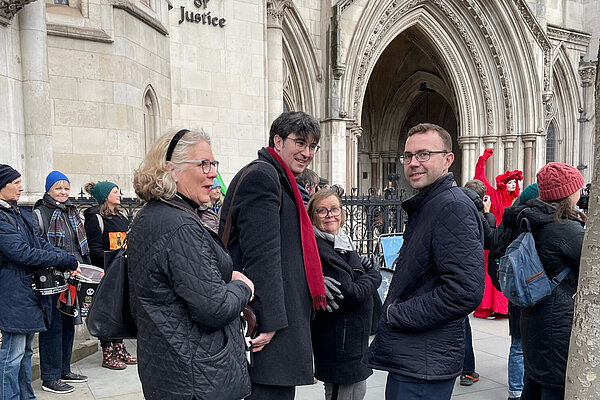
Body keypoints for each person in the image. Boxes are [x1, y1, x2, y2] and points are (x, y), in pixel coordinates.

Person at [128, 129, 254, 400]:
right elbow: (214, 309)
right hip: (196, 378)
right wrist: (241, 286)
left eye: (213, 164)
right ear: (172, 170)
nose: (212, 173)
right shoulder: (180, 225)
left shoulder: (152, 215)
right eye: (204, 164)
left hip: (170, 369)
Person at [367, 123, 484, 400]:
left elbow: (464, 291)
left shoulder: (452, 206)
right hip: (416, 358)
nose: (413, 163)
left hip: (424, 362)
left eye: (423, 154)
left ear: (447, 159)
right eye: (408, 156)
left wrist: (398, 314)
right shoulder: (432, 203)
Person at [219, 111, 327, 400]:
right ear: (277, 141)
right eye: (300, 143)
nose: (307, 153)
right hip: (268, 328)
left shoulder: (278, 177)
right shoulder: (263, 176)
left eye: (312, 146)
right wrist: (268, 323)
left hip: (279, 319)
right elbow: (262, 257)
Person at [0, 165, 79, 400]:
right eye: (15, 183)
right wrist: (62, 258)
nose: (21, 187)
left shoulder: (16, 213)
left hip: (26, 291)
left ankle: (27, 396)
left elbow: (39, 244)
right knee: (11, 355)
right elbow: (22, 253)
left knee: (25, 352)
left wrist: (67, 259)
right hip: (12, 291)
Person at [516, 163, 585, 400]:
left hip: (536, 315)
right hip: (558, 322)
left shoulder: (533, 219)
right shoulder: (565, 229)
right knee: (554, 385)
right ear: (568, 193)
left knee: (535, 380)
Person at [308, 189, 382, 400]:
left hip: (352, 340)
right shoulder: (320, 248)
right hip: (339, 343)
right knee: (343, 394)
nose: (330, 215)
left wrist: (362, 269)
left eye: (334, 209)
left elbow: (354, 275)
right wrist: (374, 275)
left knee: (357, 392)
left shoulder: (340, 241)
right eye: (322, 211)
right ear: (312, 215)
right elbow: (350, 292)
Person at [32, 171, 90, 393]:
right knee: (53, 327)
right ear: (48, 190)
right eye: (58, 188)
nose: (63, 192)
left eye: (66, 188)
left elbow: (78, 244)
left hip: (73, 278)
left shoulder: (73, 212)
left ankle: (64, 369)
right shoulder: (40, 213)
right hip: (51, 279)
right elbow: (37, 246)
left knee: (68, 325)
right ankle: (50, 377)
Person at [489, 183, 539, 400]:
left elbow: (495, 254)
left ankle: (515, 391)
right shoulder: (531, 223)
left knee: (518, 343)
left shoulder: (507, 221)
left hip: (517, 292)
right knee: (526, 344)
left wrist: (504, 285)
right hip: (535, 289)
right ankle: (522, 388)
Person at [83, 180, 136, 369]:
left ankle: (119, 347)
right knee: (106, 311)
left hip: (120, 270)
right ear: (106, 196)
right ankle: (108, 352)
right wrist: (112, 259)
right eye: (116, 192)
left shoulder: (121, 217)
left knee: (118, 309)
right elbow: (94, 249)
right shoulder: (95, 218)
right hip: (105, 272)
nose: (120, 195)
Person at [473, 148, 523, 318]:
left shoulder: (514, 199)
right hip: (494, 235)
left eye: (514, 183)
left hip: (507, 238)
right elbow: (480, 179)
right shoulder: (493, 194)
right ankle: (487, 306)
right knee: (491, 271)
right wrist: (483, 159)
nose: (513, 185)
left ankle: (501, 307)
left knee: (504, 269)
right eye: (510, 182)